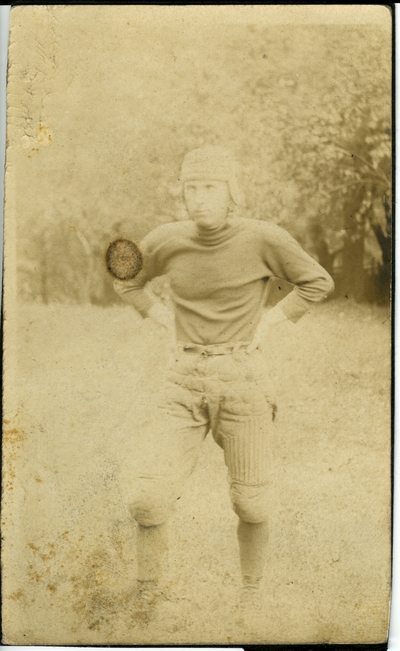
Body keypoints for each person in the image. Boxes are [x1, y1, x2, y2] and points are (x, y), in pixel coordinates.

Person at [113, 145, 334, 619]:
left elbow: (317, 281)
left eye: (209, 187)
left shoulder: (263, 238)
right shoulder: (167, 239)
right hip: (183, 381)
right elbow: (123, 273)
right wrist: (161, 317)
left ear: (233, 192)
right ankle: (147, 598)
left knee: (252, 504)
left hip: (243, 380)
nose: (198, 198)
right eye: (190, 188)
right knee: (148, 497)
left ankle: (251, 599)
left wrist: (271, 323)